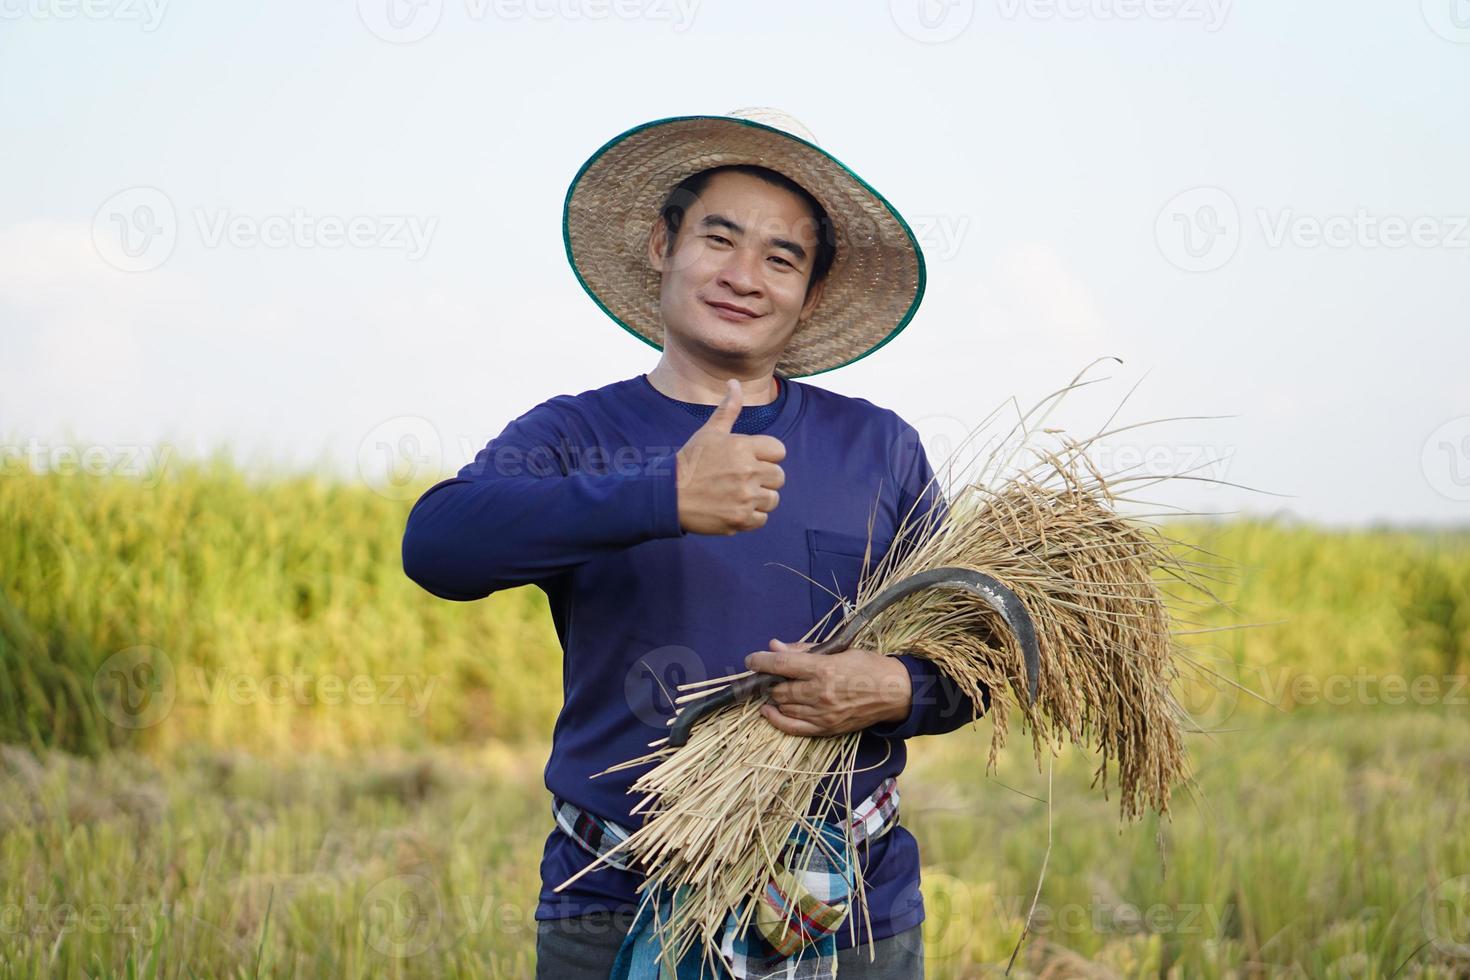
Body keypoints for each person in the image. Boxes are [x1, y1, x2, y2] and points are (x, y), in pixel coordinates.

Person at [401, 108, 990, 979]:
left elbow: (978, 661)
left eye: (781, 257)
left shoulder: (879, 447)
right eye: (720, 239)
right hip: (615, 897)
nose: (745, 276)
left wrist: (893, 687)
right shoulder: (575, 432)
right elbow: (438, 547)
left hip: (850, 906)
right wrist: (659, 496)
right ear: (660, 246)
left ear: (810, 294)